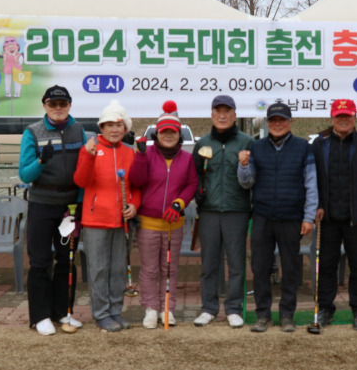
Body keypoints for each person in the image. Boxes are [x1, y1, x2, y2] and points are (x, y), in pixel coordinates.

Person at [237, 102, 318, 333]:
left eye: (282, 120)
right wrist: (243, 166)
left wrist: (309, 216)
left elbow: (311, 185)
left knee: (291, 268)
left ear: (290, 122)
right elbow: (246, 182)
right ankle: (263, 315)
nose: (277, 124)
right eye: (273, 120)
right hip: (262, 216)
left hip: (292, 217)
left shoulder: (303, 147)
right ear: (267, 123)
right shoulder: (256, 147)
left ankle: (287, 316)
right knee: (260, 267)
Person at [18, 85, 86, 336]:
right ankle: (40, 316)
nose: (58, 108)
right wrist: (40, 161)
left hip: (68, 206)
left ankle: (62, 311)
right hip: (41, 203)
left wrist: (78, 204)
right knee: (39, 261)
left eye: (63, 104)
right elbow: (25, 174)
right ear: (45, 105)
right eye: (52, 104)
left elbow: (84, 170)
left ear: (69, 105)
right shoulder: (32, 132)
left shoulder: (79, 130)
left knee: (67, 260)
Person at [311, 98, 357, 331]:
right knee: (327, 265)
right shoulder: (319, 143)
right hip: (328, 216)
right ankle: (325, 308)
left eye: (348, 116)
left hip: (356, 217)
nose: (343, 120)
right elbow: (313, 179)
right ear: (332, 118)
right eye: (339, 116)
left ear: (354, 118)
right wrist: (317, 205)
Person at [73, 100, 140, 332]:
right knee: (99, 268)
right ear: (101, 128)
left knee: (118, 269)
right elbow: (80, 181)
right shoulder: (90, 149)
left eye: (118, 125)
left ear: (125, 129)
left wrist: (134, 205)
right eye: (108, 125)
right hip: (95, 220)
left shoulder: (131, 153)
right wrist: (89, 156)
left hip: (121, 221)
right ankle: (101, 313)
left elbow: (137, 187)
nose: (113, 129)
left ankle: (115, 311)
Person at [130, 101, 198, 329]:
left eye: (173, 132)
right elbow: (136, 181)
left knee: (170, 268)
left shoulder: (187, 159)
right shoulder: (146, 154)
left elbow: (191, 185)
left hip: (173, 222)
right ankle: (150, 308)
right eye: (164, 132)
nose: (168, 135)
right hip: (148, 223)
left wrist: (179, 204)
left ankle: (166, 308)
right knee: (150, 268)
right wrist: (139, 157)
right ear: (157, 134)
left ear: (179, 135)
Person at [192, 95, 253, 328]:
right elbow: (195, 174)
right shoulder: (203, 143)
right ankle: (208, 308)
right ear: (212, 114)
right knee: (209, 263)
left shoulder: (247, 142)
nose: (222, 115)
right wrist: (198, 191)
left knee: (237, 263)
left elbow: (254, 177)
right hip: (209, 211)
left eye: (227, 111)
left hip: (237, 210)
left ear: (235, 115)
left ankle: (233, 308)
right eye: (218, 111)